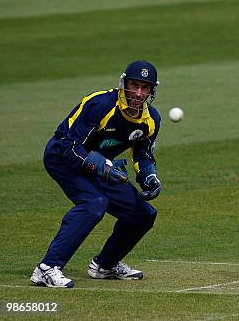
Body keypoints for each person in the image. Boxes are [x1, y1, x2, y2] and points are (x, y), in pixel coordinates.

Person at [30, 60, 163, 288]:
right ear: (124, 83)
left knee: (143, 214)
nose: (138, 93)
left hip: (101, 165)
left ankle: (105, 266)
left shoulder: (151, 119)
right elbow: (69, 144)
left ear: (152, 90)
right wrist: (103, 168)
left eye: (145, 88)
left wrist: (149, 177)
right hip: (62, 158)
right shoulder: (99, 104)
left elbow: (143, 154)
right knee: (94, 203)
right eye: (134, 85)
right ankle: (47, 268)